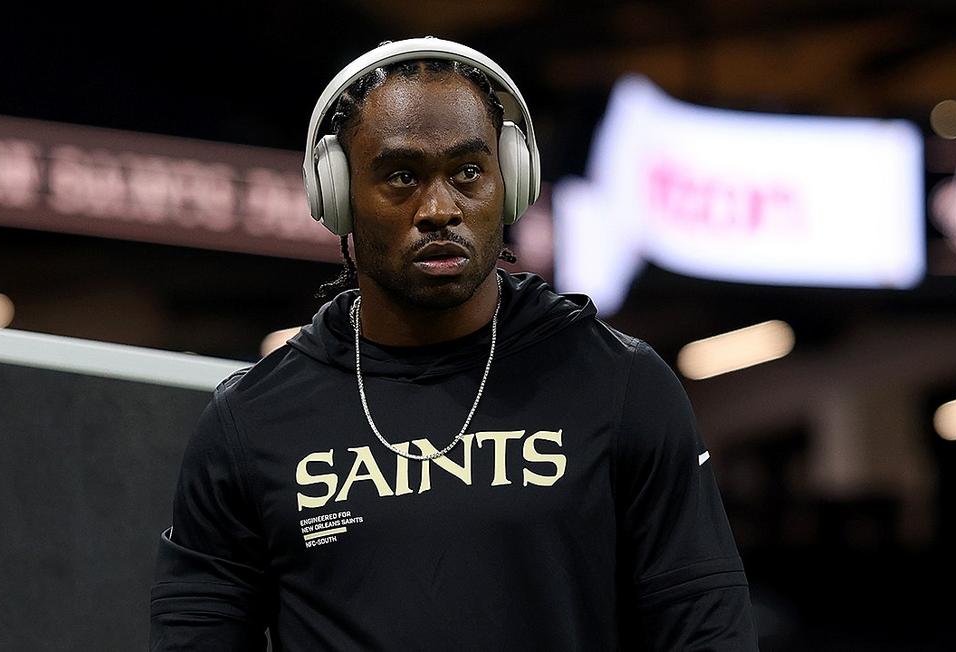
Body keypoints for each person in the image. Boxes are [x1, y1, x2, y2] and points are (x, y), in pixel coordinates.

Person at [150, 38, 757, 651]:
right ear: (337, 196)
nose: (440, 208)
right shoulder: (251, 421)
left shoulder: (621, 384)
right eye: (402, 176)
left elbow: (708, 634)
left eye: (468, 172)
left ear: (512, 182)